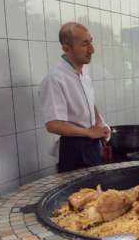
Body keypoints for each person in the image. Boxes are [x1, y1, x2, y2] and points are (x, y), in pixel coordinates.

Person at [41, 22, 110, 173]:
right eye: (85, 44)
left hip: (91, 145)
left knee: (96, 192)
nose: (92, 50)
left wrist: (100, 124)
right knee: (79, 196)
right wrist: (89, 132)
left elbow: (90, 103)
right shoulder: (55, 78)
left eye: (91, 42)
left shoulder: (84, 72)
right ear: (66, 47)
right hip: (73, 150)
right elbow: (53, 124)